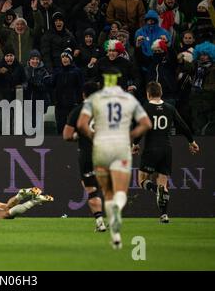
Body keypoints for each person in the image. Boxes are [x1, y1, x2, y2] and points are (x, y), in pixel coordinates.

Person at [77, 68, 152, 249]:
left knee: (105, 191)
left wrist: (93, 136)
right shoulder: (128, 99)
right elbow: (146, 123)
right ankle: (117, 213)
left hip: (101, 148)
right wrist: (131, 136)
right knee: (118, 191)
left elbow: (80, 124)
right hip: (120, 148)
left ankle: (114, 233)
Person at [132, 82, 199, 223]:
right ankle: (164, 215)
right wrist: (191, 142)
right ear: (161, 93)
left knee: (142, 181)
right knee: (163, 183)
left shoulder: (145, 108)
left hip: (151, 148)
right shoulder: (170, 108)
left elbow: (140, 128)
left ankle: (156, 190)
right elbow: (183, 125)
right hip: (166, 149)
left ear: (148, 94)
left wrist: (135, 144)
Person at [63, 82, 106, 232]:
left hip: (88, 154)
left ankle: (100, 221)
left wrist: (79, 135)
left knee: (91, 189)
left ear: (83, 95)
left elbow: (67, 135)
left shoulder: (78, 111)